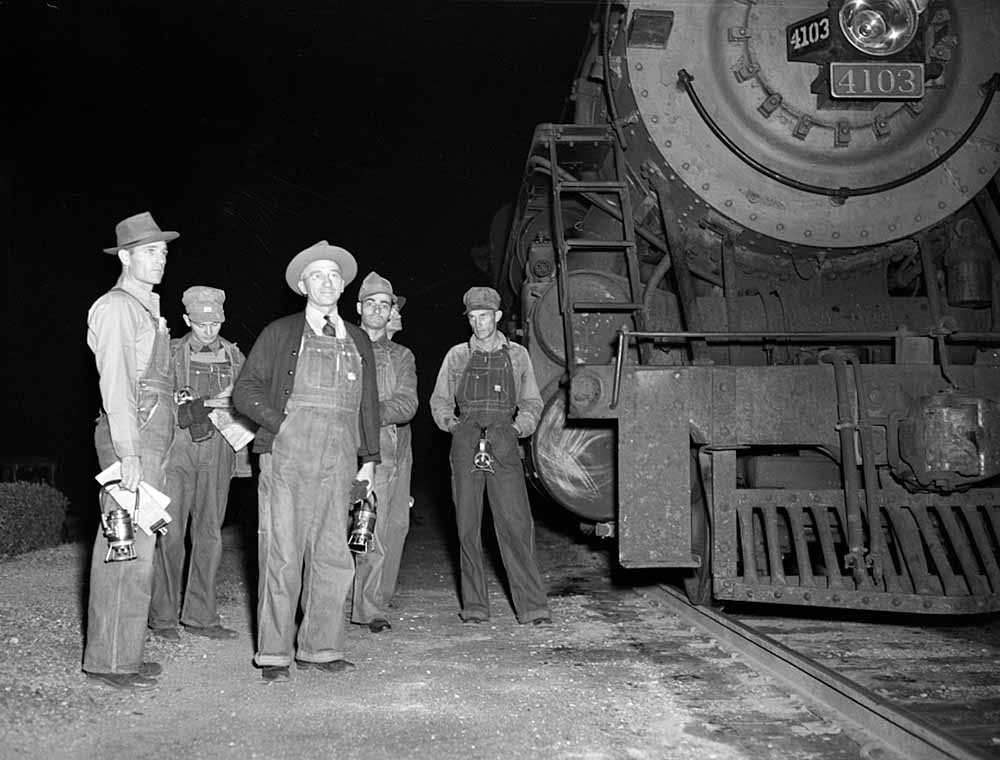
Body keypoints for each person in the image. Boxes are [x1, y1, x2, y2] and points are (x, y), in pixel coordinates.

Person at [233, 240, 380, 683]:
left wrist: (369, 460)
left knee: (334, 553)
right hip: (289, 457)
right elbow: (245, 391)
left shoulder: (357, 339)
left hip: (341, 456)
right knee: (282, 552)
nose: (327, 283)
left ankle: (321, 647)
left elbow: (368, 405)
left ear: (343, 285)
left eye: (334, 276)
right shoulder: (280, 333)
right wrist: (282, 423)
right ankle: (274, 654)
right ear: (303, 285)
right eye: (318, 275)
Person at [83, 211, 179, 689]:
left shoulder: (146, 310)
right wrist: (129, 452)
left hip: (152, 433)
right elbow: (117, 384)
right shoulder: (117, 307)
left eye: (163, 252)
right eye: (149, 252)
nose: (160, 259)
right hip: (133, 434)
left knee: (141, 544)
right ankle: (112, 662)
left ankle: (125, 653)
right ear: (125, 256)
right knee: (124, 546)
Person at [430, 286, 550, 625]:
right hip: (466, 440)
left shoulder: (518, 355)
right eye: (472, 317)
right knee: (467, 525)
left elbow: (532, 402)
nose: (478, 323)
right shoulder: (457, 356)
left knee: (515, 523)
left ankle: (532, 606)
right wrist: (454, 426)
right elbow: (439, 401)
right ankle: (475, 606)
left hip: (503, 440)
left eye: (484, 316)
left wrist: (516, 429)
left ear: (497, 316)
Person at [148, 286, 249, 641]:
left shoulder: (234, 356)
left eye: (215, 323)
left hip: (218, 450)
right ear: (187, 319)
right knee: (169, 532)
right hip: (177, 448)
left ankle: (201, 616)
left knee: (209, 533)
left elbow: (249, 403)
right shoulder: (170, 351)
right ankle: (163, 617)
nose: (208, 330)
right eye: (201, 323)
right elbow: (153, 399)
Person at [350, 273, 417, 633]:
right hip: (347, 448)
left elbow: (407, 404)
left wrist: (367, 412)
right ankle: (355, 604)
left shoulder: (401, 356)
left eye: (384, 305)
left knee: (388, 528)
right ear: (359, 307)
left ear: (392, 311)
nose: (377, 310)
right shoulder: (342, 345)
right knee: (356, 527)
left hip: (389, 450)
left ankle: (374, 602)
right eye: (370, 303)